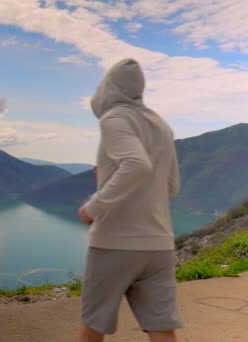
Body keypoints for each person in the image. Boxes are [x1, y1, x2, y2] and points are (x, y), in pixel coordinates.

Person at [77, 58, 182, 342]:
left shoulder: (114, 118)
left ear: (108, 88)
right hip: (158, 244)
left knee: (94, 324)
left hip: (115, 243)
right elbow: (170, 186)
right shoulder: (161, 125)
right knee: (161, 327)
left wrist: (93, 207)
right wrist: (109, 178)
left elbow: (136, 165)